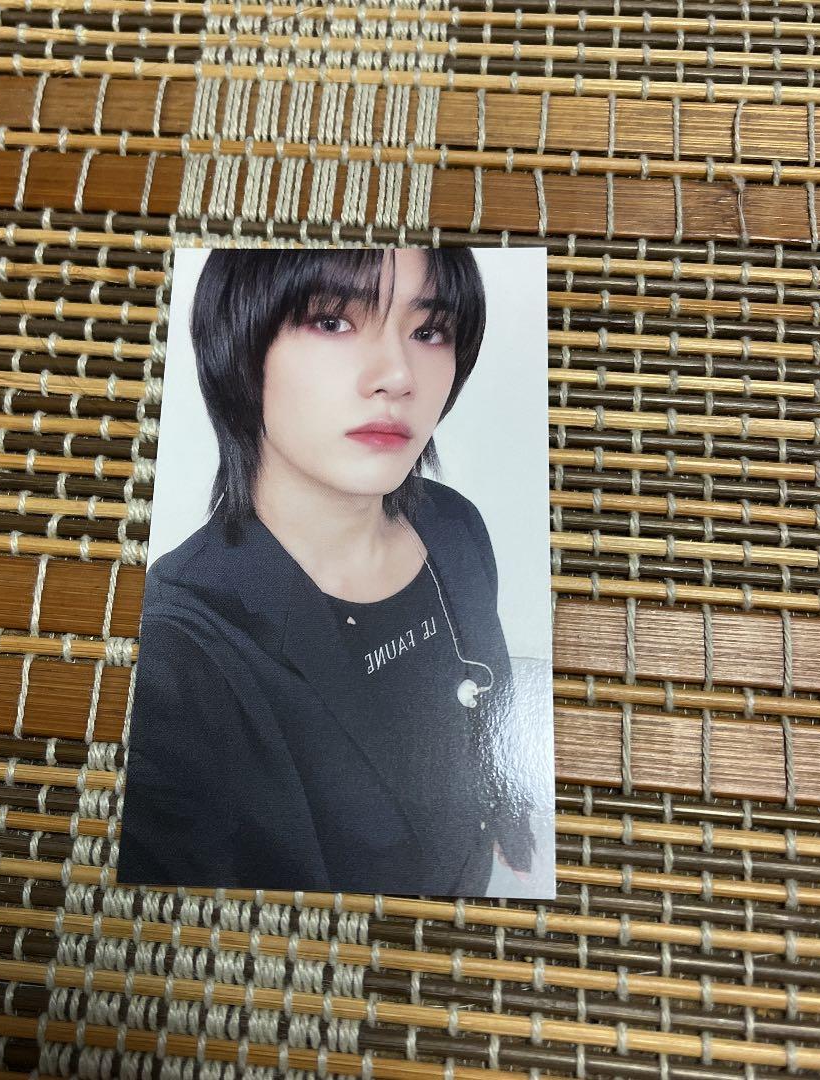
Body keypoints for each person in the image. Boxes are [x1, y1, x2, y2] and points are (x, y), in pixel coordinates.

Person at [116, 247, 537, 896]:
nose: (398, 376)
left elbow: (493, 700)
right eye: (333, 321)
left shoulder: (454, 524)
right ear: (240, 344)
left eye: (429, 331)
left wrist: (510, 818)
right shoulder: (174, 658)